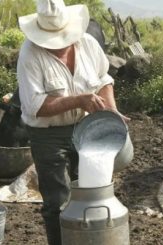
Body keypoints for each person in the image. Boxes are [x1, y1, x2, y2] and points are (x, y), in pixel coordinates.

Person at [17, 0, 129, 244]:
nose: (58, 46)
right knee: (57, 201)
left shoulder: (87, 44)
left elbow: (103, 79)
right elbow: (37, 107)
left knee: (91, 195)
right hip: (48, 135)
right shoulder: (29, 55)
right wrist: (79, 100)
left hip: (85, 128)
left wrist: (111, 109)